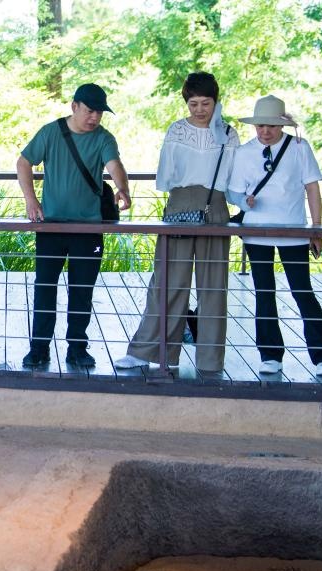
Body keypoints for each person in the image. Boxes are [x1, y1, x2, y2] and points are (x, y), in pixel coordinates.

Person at [115, 72, 240, 373]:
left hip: (216, 207)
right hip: (180, 204)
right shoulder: (176, 131)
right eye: (193, 103)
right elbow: (166, 176)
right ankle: (151, 353)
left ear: (216, 101)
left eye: (206, 103)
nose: (199, 109)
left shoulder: (229, 133)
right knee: (167, 283)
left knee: (213, 288)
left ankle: (210, 362)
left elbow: (235, 176)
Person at [17, 83, 131, 368]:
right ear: (74, 106)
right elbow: (23, 162)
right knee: (45, 287)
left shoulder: (104, 138)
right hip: (51, 225)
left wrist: (123, 188)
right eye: (90, 111)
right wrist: (32, 201)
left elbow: (114, 164)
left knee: (82, 289)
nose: (94, 117)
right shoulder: (51, 132)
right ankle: (39, 347)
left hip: (88, 227)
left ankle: (77, 347)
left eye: (100, 113)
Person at [227, 95, 322, 377]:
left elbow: (312, 188)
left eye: (272, 126)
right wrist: (243, 202)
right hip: (256, 232)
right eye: (261, 125)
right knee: (264, 293)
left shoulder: (299, 148)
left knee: (302, 291)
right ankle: (270, 354)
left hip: (294, 231)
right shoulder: (244, 152)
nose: (265, 131)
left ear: (282, 125)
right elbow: (235, 191)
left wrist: (317, 227)